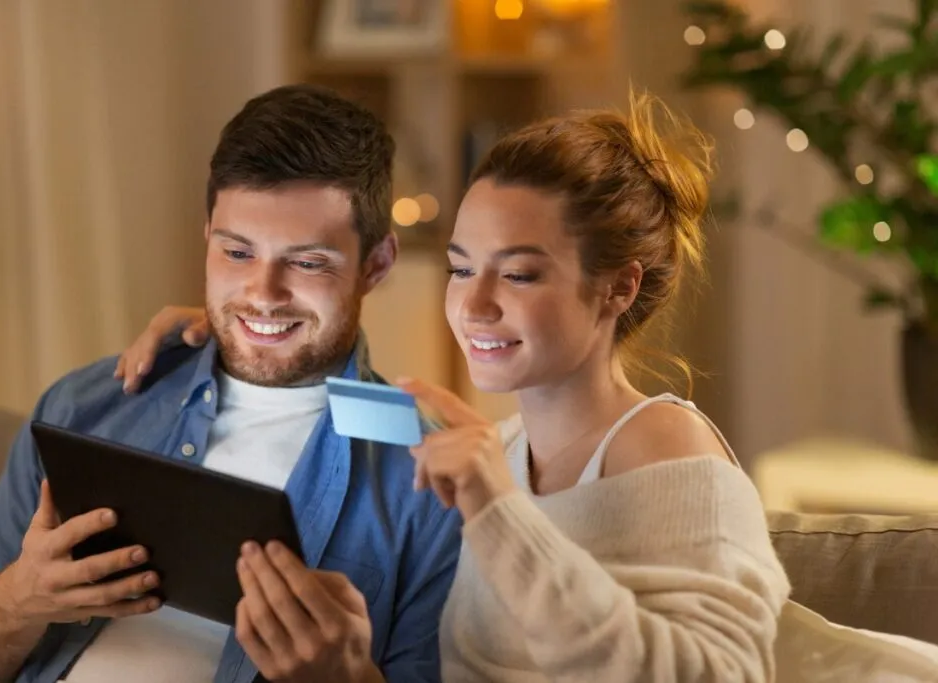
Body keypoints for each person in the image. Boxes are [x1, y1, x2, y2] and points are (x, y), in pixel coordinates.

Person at [117, 89, 793, 682]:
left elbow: (720, 675)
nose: (475, 305)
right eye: (462, 269)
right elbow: (309, 399)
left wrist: (497, 508)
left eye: (520, 274)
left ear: (617, 286)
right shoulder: (476, 440)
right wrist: (223, 333)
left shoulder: (664, 441)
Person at [0, 84, 463, 683]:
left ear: (377, 264)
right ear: (207, 235)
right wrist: (12, 605)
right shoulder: (86, 406)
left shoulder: (427, 481)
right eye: (237, 252)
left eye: (307, 262)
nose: (263, 293)